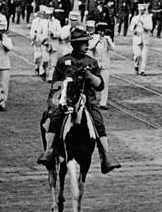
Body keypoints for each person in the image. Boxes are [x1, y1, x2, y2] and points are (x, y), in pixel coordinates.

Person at [36, 27, 121, 175]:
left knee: (98, 121)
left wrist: (90, 76)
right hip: (67, 98)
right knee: (55, 118)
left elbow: (100, 85)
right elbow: (56, 85)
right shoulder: (63, 62)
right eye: (83, 43)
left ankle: (105, 155)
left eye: (86, 42)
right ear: (75, 45)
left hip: (88, 100)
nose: (86, 45)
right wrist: (53, 103)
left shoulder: (92, 62)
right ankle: (49, 150)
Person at [128, 3, 149, 75]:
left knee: (144, 56)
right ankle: (136, 65)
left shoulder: (148, 18)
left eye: (142, 10)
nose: (141, 12)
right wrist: (134, 31)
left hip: (145, 39)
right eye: (139, 10)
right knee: (137, 55)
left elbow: (150, 27)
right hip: (137, 38)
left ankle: (142, 70)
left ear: (144, 10)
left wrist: (143, 24)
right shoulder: (135, 18)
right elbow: (131, 28)